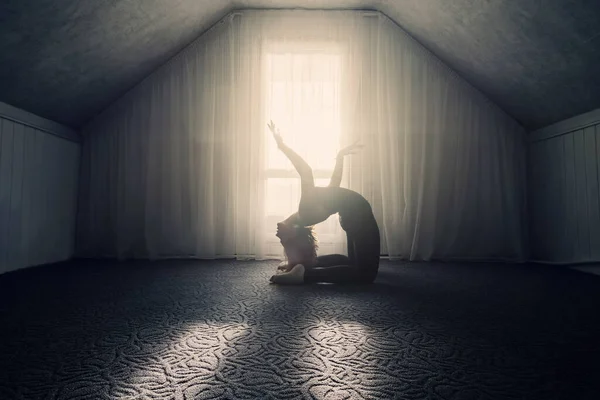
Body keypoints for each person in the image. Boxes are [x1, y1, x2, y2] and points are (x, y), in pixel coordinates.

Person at [267, 121, 380, 285]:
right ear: (294, 233)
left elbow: (324, 182)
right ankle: (304, 275)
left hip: (353, 214)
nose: (277, 232)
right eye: (282, 238)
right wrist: (281, 145)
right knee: (365, 275)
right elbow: (325, 182)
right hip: (356, 214)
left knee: (351, 264)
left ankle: (302, 269)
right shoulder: (306, 212)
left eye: (280, 237)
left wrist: (282, 145)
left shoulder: (306, 211)